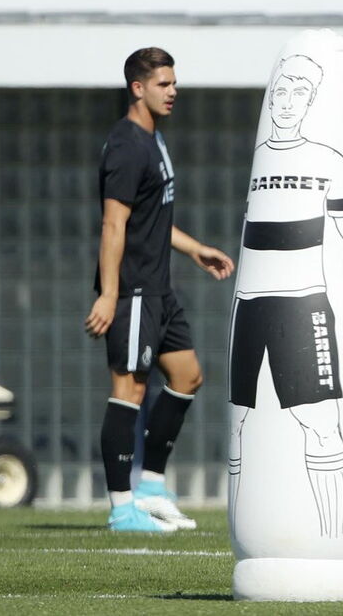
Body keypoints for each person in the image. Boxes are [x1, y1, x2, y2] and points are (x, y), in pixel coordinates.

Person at [85, 47, 234, 532]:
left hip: (161, 289)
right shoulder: (128, 146)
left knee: (187, 376)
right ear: (138, 88)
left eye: (174, 82)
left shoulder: (154, 139)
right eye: (164, 84)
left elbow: (152, 218)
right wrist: (109, 294)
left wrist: (194, 249)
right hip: (133, 293)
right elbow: (114, 225)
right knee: (128, 391)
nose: (174, 91)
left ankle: (150, 487)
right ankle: (122, 508)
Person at [228, 53, 343, 539]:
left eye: (298, 92)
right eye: (281, 90)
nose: (286, 101)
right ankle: (246, 532)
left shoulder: (329, 161)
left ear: (313, 100)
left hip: (302, 304)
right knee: (238, 426)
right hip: (249, 306)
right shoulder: (261, 162)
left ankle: (337, 541)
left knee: (322, 423)